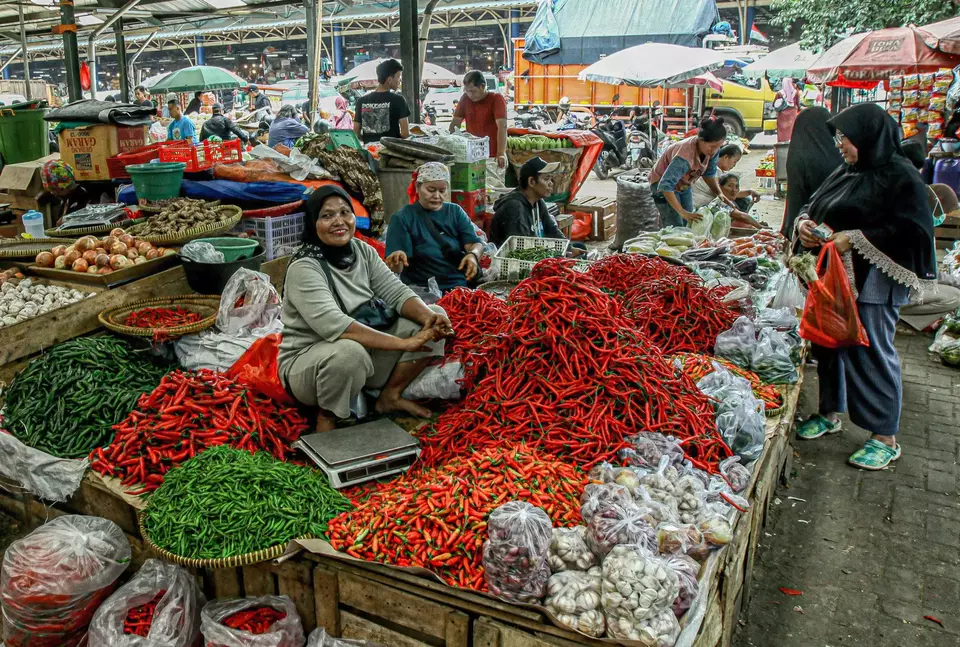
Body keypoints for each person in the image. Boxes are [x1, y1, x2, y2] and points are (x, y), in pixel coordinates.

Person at [794, 103, 937, 470]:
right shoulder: (847, 170)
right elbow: (814, 204)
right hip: (835, 277)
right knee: (829, 342)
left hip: (876, 280)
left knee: (870, 347)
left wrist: (855, 238)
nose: (840, 145)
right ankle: (829, 413)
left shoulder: (901, 177)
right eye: (839, 137)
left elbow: (913, 231)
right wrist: (805, 225)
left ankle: (885, 437)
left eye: (846, 138)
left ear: (869, 138)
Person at [279, 185, 453, 432]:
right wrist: (405, 344)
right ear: (312, 223)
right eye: (327, 216)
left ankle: (389, 396)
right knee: (349, 353)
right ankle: (327, 416)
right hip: (310, 367)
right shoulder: (304, 268)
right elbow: (340, 327)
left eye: (344, 213)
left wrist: (431, 320)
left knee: (435, 315)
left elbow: (397, 292)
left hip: (364, 354)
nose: (339, 222)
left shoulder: (362, 251)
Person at [385, 162, 483, 293]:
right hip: (424, 290)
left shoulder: (455, 212)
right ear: (418, 187)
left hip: (459, 287)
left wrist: (473, 255)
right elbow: (398, 268)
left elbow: (474, 243)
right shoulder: (402, 218)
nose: (437, 196)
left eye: (442, 191)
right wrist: (397, 260)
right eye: (431, 190)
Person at [649, 116, 736, 227]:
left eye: (718, 147)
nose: (714, 151)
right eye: (712, 146)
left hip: (683, 184)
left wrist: (719, 193)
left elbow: (709, 174)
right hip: (662, 184)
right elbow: (666, 185)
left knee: (689, 221)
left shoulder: (712, 152)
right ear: (701, 140)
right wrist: (681, 212)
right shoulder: (684, 156)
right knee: (675, 225)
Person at [782, 107, 843, 239]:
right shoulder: (835, 153)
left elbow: (795, 196)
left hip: (805, 222)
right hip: (834, 225)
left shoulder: (796, 153)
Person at [490, 157, 564, 247]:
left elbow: (552, 230)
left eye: (551, 179)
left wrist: (570, 249)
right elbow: (520, 248)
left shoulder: (538, 202)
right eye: (546, 179)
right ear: (531, 182)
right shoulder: (514, 207)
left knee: (579, 247)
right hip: (514, 257)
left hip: (533, 249)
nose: (551, 183)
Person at [450, 70, 508, 176]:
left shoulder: (496, 99)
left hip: (493, 156)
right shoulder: (465, 99)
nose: (470, 95)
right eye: (467, 91)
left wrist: (501, 153)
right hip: (472, 156)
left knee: (494, 189)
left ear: (482, 86)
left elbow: (502, 127)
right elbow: (455, 123)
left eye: (473, 91)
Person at [354, 59, 410, 144]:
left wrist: (369, 140)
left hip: (371, 152)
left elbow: (355, 133)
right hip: (391, 152)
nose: (400, 81)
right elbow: (405, 134)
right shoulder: (399, 100)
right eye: (398, 77)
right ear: (390, 79)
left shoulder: (361, 101)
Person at [691, 144, 758, 209]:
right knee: (740, 203)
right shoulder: (713, 171)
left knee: (744, 200)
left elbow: (731, 192)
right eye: (734, 162)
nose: (734, 165)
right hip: (700, 203)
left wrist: (750, 192)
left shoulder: (718, 170)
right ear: (726, 157)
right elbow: (728, 194)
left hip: (708, 199)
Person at [41, 160, 90, 226]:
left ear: (64, 186)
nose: (52, 193)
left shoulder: (82, 198)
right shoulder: (66, 197)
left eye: (53, 189)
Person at [775, 77, 801, 142]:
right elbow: (798, 104)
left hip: (782, 116)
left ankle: (781, 143)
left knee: (782, 130)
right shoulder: (796, 92)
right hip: (793, 115)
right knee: (791, 129)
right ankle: (791, 143)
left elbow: (775, 104)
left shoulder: (779, 93)